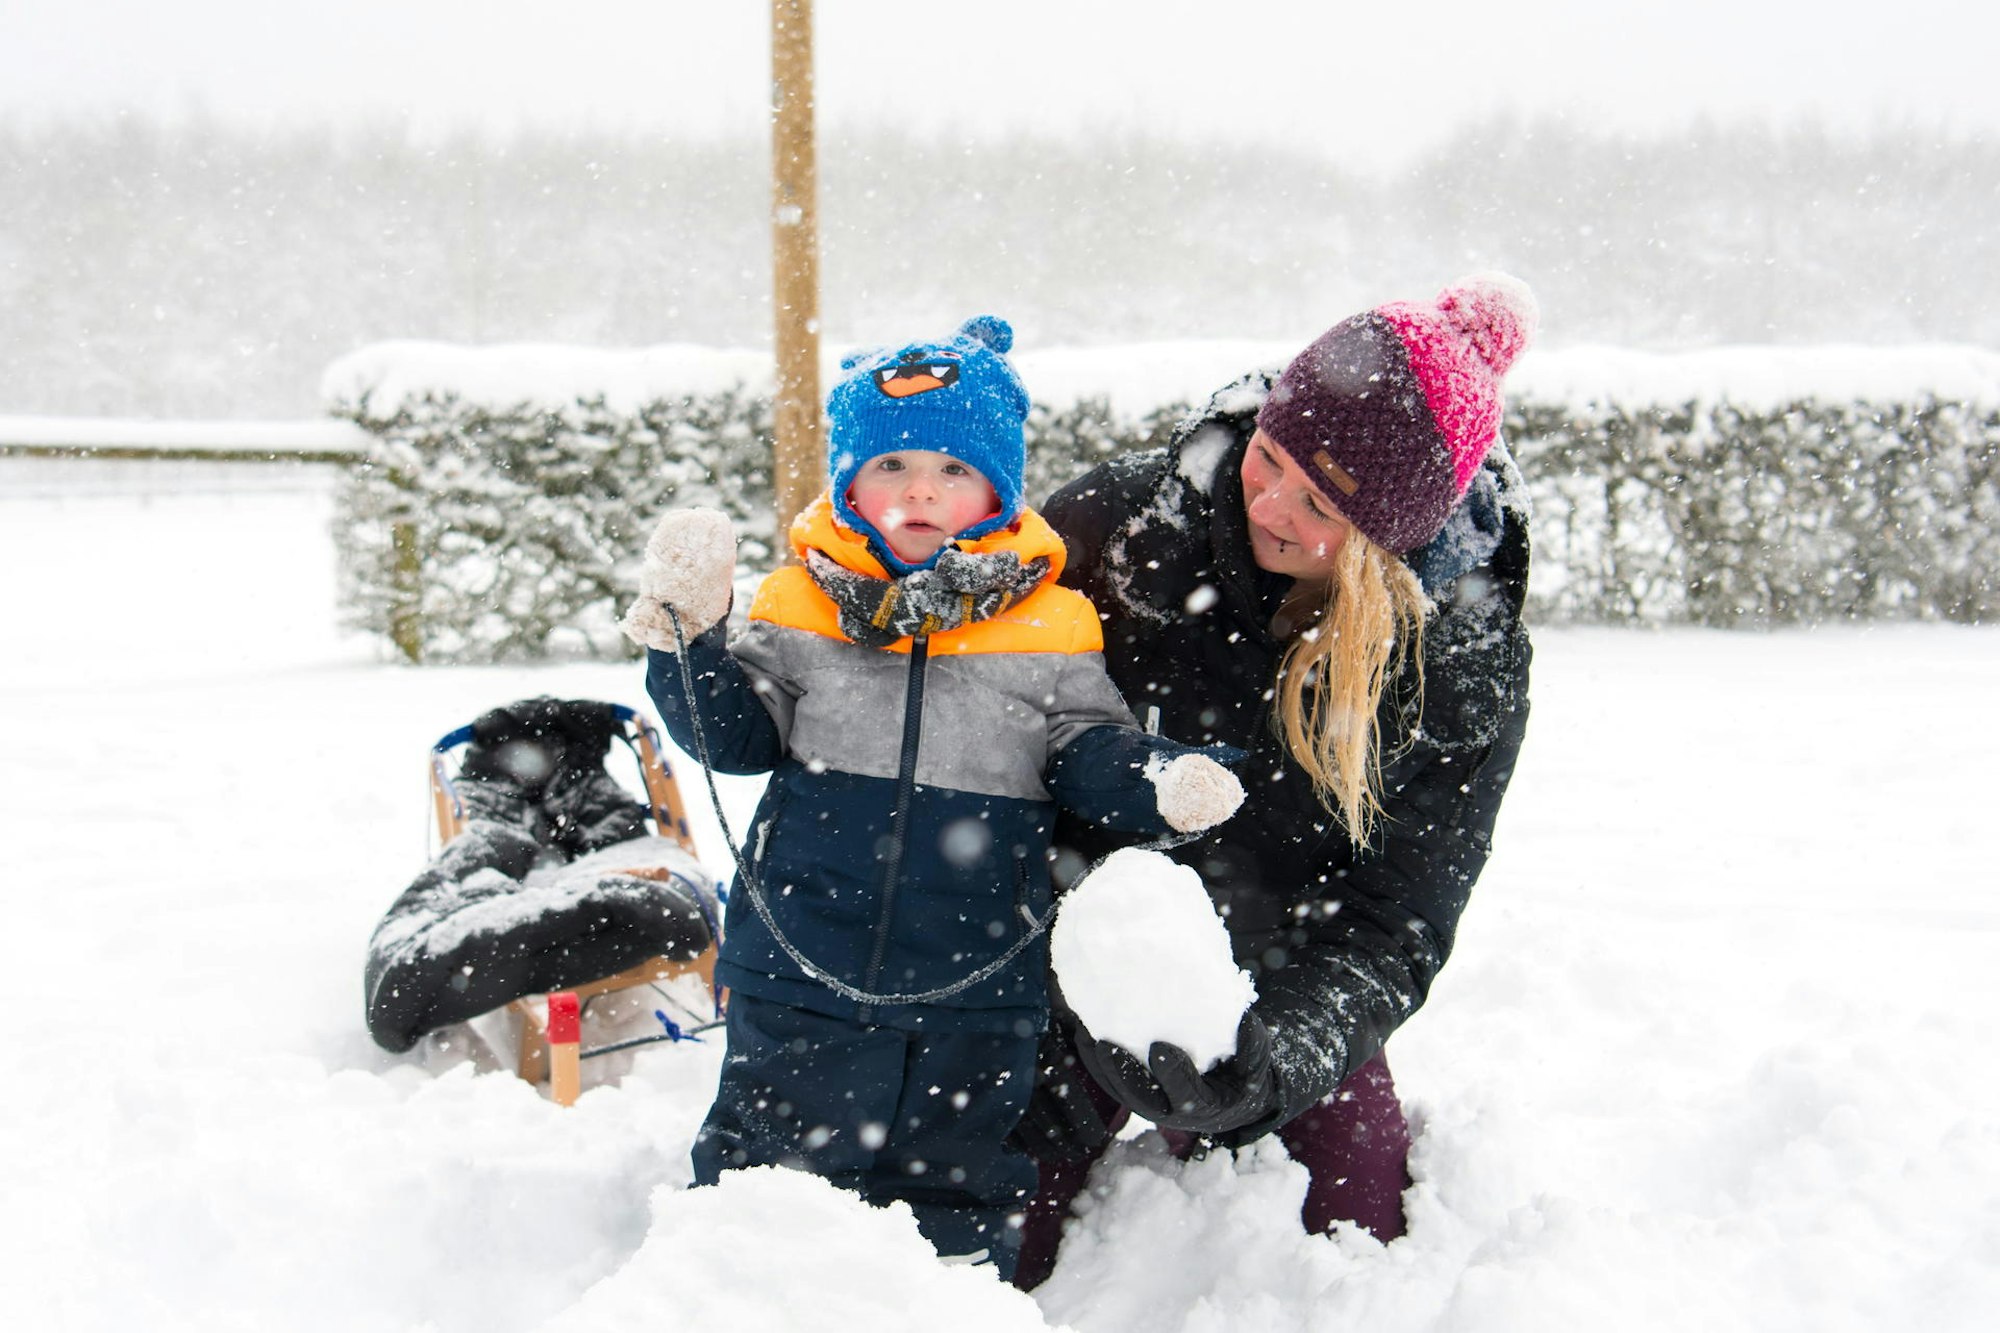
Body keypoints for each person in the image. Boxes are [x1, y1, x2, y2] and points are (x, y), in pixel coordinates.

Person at [619, 315, 1246, 1280]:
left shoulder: (1051, 619)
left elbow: (1081, 744)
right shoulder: (801, 602)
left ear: (999, 488)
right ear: (848, 482)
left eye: (955, 470)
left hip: (975, 982)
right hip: (803, 967)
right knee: (773, 1186)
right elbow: (734, 738)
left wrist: (1156, 778)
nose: (921, 488)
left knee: (951, 1197)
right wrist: (687, 645)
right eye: (895, 463)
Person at [1009, 274, 1539, 1288]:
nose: (1269, 506)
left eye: (1320, 504)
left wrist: (1271, 1063)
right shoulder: (1123, 532)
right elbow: (984, 734)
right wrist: (1054, 950)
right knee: (990, 1223)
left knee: (1350, 1247)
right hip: (1074, 940)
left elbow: (1400, 917)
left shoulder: (1458, 669)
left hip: (1283, 968)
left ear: (1395, 536)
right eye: (1270, 460)